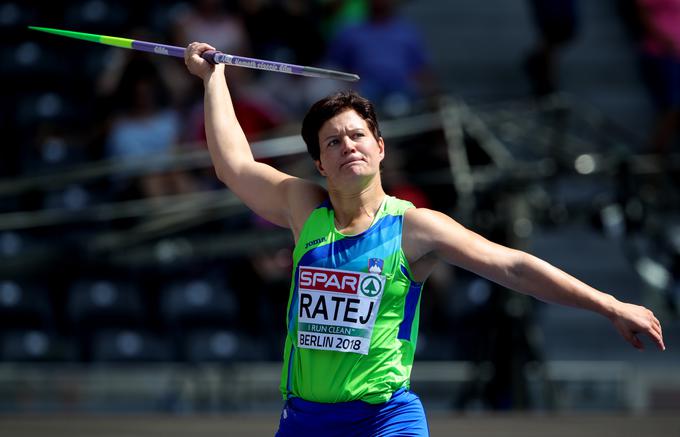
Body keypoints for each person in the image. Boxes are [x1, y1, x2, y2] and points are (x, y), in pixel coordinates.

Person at [184, 42, 665, 436]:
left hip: (384, 421)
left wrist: (609, 304)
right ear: (320, 163)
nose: (347, 145)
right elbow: (235, 166)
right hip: (305, 422)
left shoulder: (415, 227)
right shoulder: (303, 207)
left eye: (357, 136)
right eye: (333, 142)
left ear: (379, 149)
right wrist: (214, 79)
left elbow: (512, 266)